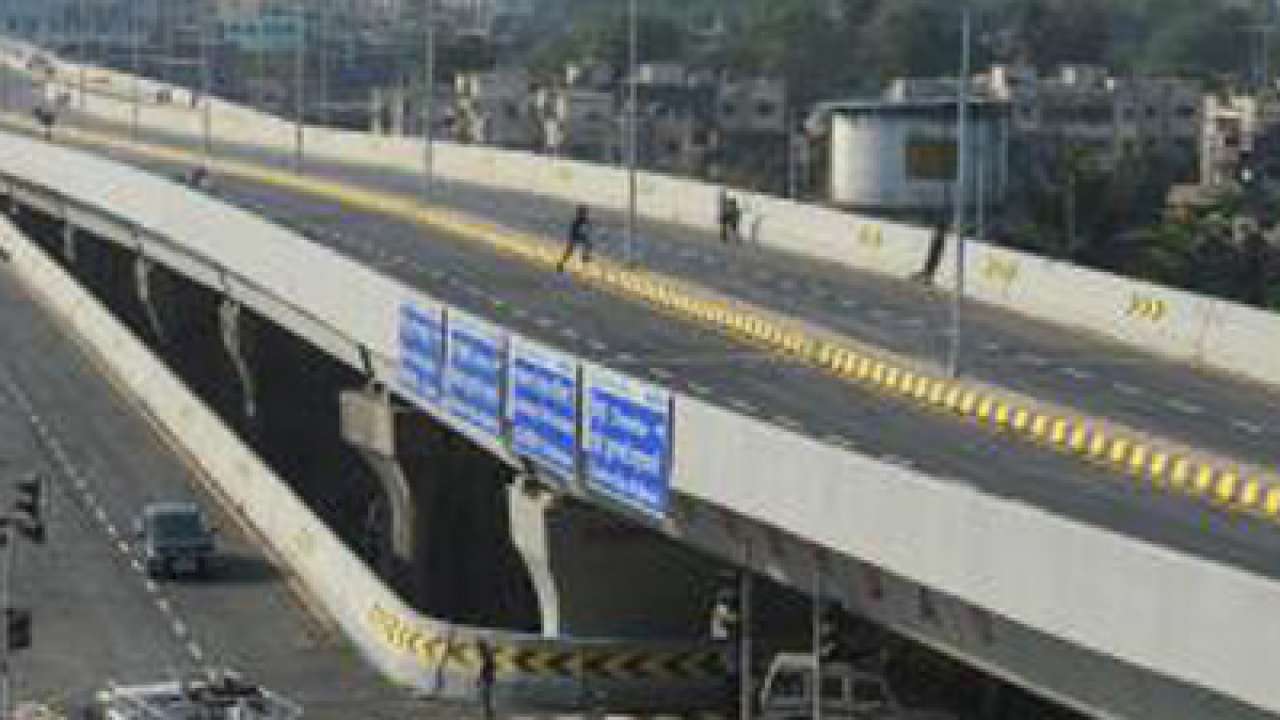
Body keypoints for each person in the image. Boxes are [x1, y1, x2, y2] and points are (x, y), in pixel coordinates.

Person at [556, 204, 592, 272]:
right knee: (569, 253)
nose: (586, 213)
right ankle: (561, 265)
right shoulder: (578, 221)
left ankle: (584, 259)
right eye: (584, 212)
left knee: (571, 252)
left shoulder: (582, 220)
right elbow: (575, 232)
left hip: (577, 238)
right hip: (575, 238)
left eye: (585, 212)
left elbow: (585, 228)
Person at [475, 638, 497, 720]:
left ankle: (488, 714)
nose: (477, 648)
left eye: (478, 646)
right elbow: (492, 666)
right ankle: (489, 713)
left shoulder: (485, 654)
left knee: (486, 696)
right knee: (487, 696)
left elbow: (483, 667)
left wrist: (478, 679)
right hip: (490, 677)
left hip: (486, 678)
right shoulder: (489, 653)